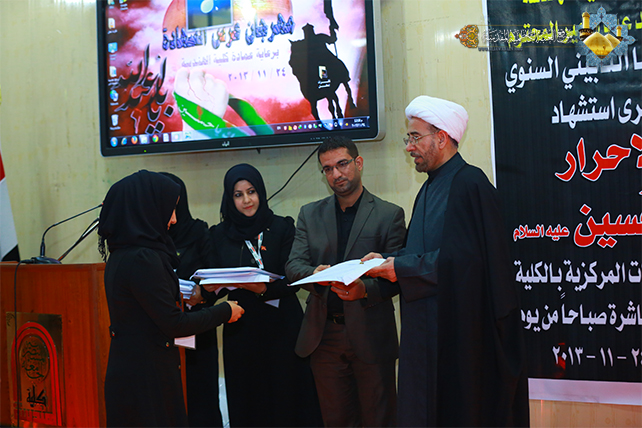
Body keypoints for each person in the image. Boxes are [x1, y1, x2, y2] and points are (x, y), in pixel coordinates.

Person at [364, 95, 530, 427]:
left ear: (441, 138)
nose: (409, 147)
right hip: (422, 336)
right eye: (408, 138)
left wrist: (400, 268)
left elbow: (467, 263)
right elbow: (423, 252)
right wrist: (387, 260)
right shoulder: (428, 189)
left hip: (459, 337)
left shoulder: (470, 184)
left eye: (415, 137)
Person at [98, 170, 244, 427]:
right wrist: (224, 311)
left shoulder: (121, 253)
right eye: (169, 209)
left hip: (133, 371)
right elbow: (174, 323)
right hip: (147, 378)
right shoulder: (143, 258)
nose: (174, 219)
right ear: (147, 209)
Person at [285, 136, 405, 427]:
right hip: (324, 335)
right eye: (327, 169)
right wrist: (315, 276)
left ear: (358, 163)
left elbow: (400, 276)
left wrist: (364, 290)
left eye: (342, 164)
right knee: (336, 420)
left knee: (379, 419)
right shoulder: (309, 214)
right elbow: (293, 266)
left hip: (372, 334)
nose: (336, 174)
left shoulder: (389, 214)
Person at [205, 163, 323, 428]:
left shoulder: (282, 227)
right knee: (249, 401)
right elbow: (211, 281)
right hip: (241, 329)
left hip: (282, 327)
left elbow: (293, 279)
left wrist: (262, 289)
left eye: (252, 192)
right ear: (229, 198)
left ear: (261, 192)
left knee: (288, 400)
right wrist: (208, 289)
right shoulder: (219, 235)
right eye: (238, 195)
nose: (247, 200)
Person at [160, 172, 223, 428]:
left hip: (196, 328)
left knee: (200, 397)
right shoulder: (148, 238)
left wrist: (202, 293)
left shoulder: (197, 230)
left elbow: (214, 274)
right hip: (161, 330)